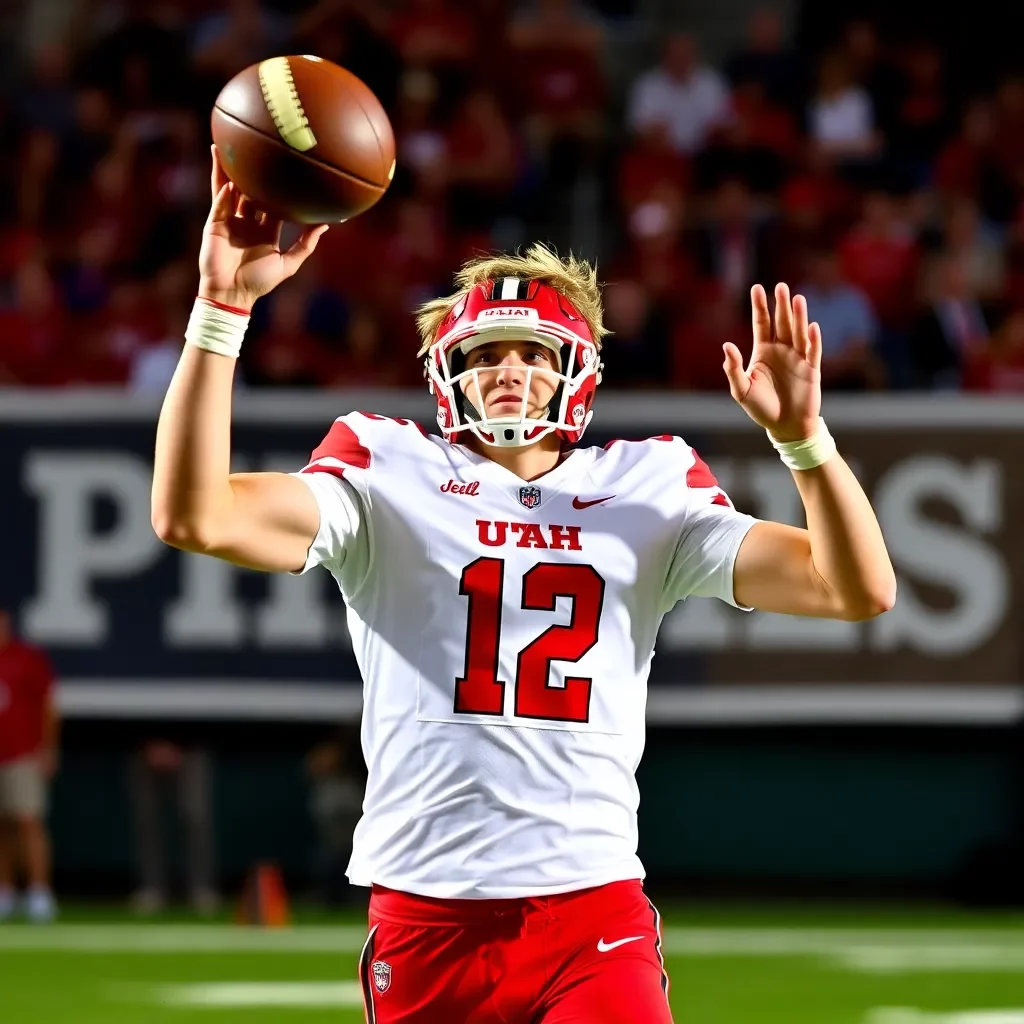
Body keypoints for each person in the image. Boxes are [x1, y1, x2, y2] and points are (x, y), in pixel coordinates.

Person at [150, 148, 896, 1023]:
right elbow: (194, 515)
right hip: (428, 911)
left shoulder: (645, 485)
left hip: (590, 911)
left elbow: (853, 588)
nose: (509, 371)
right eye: (487, 353)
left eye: (533, 351)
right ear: (446, 373)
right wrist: (221, 308)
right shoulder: (389, 470)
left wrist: (806, 444)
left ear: (577, 369)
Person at [0, 607, 59, 923]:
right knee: (1, 827)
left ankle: (39, 892)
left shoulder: (27, 659)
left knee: (28, 821)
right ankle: (5, 891)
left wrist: (48, 748)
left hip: (22, 755)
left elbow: (49, 705)